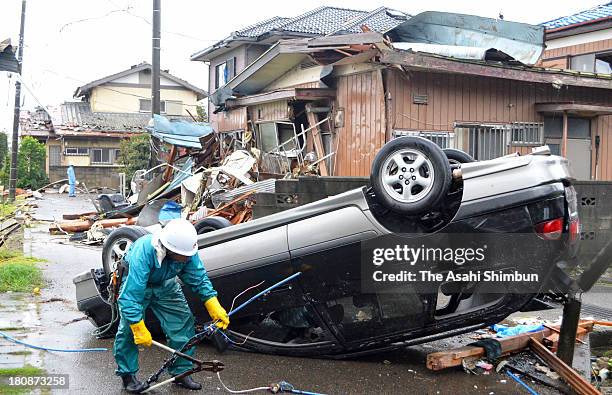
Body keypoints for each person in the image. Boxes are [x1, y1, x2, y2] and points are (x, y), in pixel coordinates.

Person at [113, 219, 230, 393]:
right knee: (129, 330)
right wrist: (138, 327)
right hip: (137, 285)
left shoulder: (187, 250)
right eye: (182, 256)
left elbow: (198, 276)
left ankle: (181, 372)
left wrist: (212, 303)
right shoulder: (144, 251)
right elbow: (131, 297)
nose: (186, 258)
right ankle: (128, 375)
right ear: (168, 249)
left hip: (166, 285)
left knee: (183, 322)